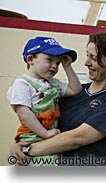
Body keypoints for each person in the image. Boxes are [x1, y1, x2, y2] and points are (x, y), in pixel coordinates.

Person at [10, 30, 106, 166]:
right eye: (87, 55)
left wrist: (27, 150)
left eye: (94, 58)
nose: (86, 63)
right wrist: (17, 145)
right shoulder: (72, 93)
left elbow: (76, 139)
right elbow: (38, 121)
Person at [7, 36, 82, 166]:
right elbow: (24, 113)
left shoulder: (53, 84)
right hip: (33, 137)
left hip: (50, 136)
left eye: (58, 63)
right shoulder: (22, 84)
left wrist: (68, 67)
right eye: (49, 60)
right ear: (30, 59)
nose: (54, 66)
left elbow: (75, 89)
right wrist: (45, 134)